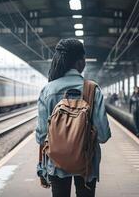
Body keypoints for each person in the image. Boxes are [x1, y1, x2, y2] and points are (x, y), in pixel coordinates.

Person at [36, 38, 111, 197]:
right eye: (83, 59)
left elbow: (42, 136)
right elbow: (103, 136)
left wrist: (41, 168)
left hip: (56, 164)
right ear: (79, 63)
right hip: (87, 165)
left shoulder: (48, 90)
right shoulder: (93, 90)